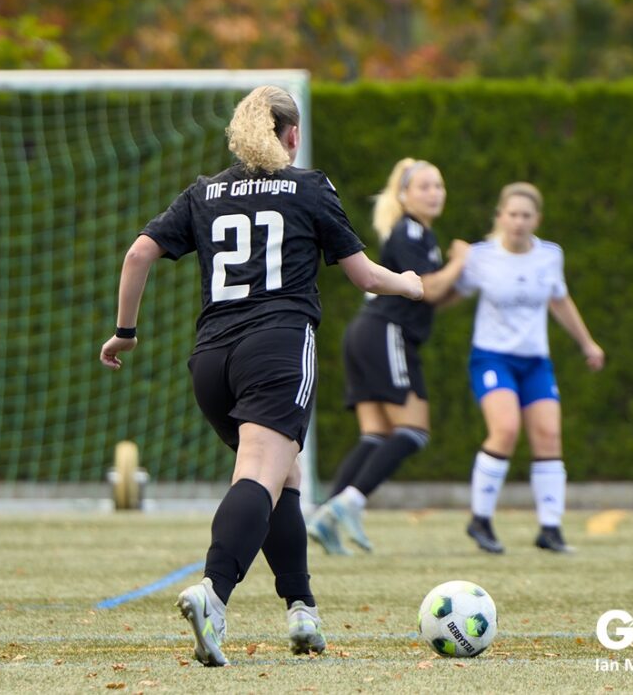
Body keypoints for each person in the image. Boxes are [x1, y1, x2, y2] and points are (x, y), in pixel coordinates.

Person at [99, 86, 423, 667]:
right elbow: (366, 277)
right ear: (292, 135)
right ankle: (213, 595)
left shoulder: (204, 192)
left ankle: (302, 608)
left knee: (283, 477)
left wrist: (125, 331)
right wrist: (411, 284)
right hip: (276, 349)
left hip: (211, 362)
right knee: (258, 473)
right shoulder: (309, 186)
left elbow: (137, 255)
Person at [306, 158, 468, 555]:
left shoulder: (422, 235)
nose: (435, 193)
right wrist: (461, 262)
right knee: (413, 431)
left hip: (367, 332)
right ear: (404, 195)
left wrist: (463, 283)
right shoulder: (409, 230)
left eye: (439, 185)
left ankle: (326, 518)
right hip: (385, 332)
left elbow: (432, 297)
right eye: (425, 186)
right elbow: (427, 288)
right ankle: (349, 502)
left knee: (376, 436)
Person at [456, 182, 604, 555]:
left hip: (536, 360)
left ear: (537, 219)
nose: (519, 222)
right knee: (505, 429)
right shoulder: (480, 256)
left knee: (549, 436)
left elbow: (560, 301)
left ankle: (550, 529)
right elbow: (450, 292)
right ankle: (480, 519)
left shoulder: (550, 255)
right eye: (512, 214)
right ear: (500, 216)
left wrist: (587, 343)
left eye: (526, 215)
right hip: (492, 357)